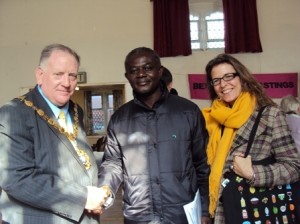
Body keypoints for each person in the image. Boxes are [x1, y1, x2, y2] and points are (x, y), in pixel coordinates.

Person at [98, 47, 210, 224]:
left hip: (182, 214)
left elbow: (202, 165)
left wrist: (205, 210)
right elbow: (113, 163)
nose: (141, 74)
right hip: (139, 216)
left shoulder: (188, 112)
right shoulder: (119, 118)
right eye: (134, 70)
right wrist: (105, 188)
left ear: (160, 71)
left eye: (148, 68)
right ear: (127, 76)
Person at [0, 44, 108, 224]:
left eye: (72, 76)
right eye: (58, 74)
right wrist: (83, 198)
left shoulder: (76, 111)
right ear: (40, 75)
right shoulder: (14, 113)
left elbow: (76, 158)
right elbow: (17, 178)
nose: (66, 83)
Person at [201, 54, 300, 223]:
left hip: (256, 210)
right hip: (222, 212)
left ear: (242, 78)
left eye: (228, 76)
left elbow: (294, 167)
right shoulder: (210, 119)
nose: (223, 84)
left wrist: (253, 173)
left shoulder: (270, 115)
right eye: (216, 80)